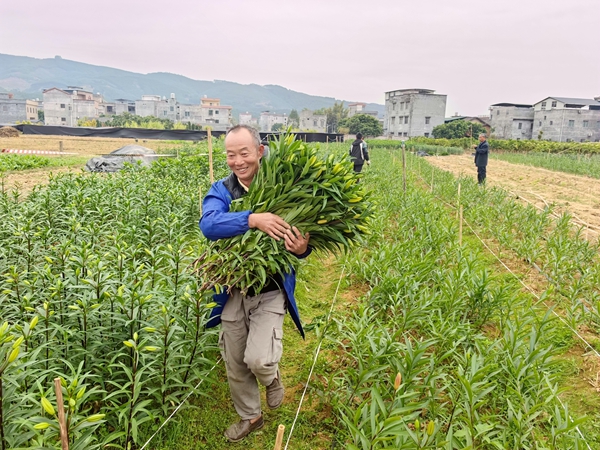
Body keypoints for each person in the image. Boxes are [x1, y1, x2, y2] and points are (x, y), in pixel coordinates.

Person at [199, 124, 311, 442]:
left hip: (271, 289)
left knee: (258, 359)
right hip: (234, 291)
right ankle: (251, 417)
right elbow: (208, 224)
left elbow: (304, 236)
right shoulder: (222, 190)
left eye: (244, 153)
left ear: (260, 151)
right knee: (235, 361)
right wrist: (251, 218)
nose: (237, 161)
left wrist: (302, 249)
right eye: (231, 155)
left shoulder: (282, 185)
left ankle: (271, 377)